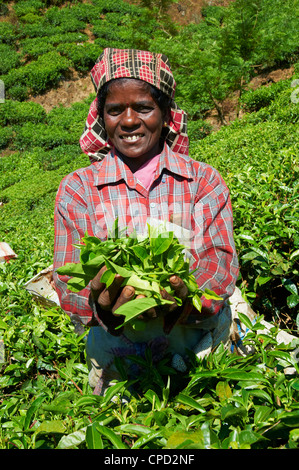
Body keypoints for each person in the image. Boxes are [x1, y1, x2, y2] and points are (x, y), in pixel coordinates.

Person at [52, 48, 255, 395]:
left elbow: (219, 265)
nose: (129, 121)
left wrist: (186, 300)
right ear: (102, 118)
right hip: (120, 364)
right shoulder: (79, 189)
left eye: (143, 107)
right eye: (115, 110)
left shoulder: (202, 182)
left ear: (164, 114)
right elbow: (69, 278)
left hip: (200, 349)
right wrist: (105, 309)